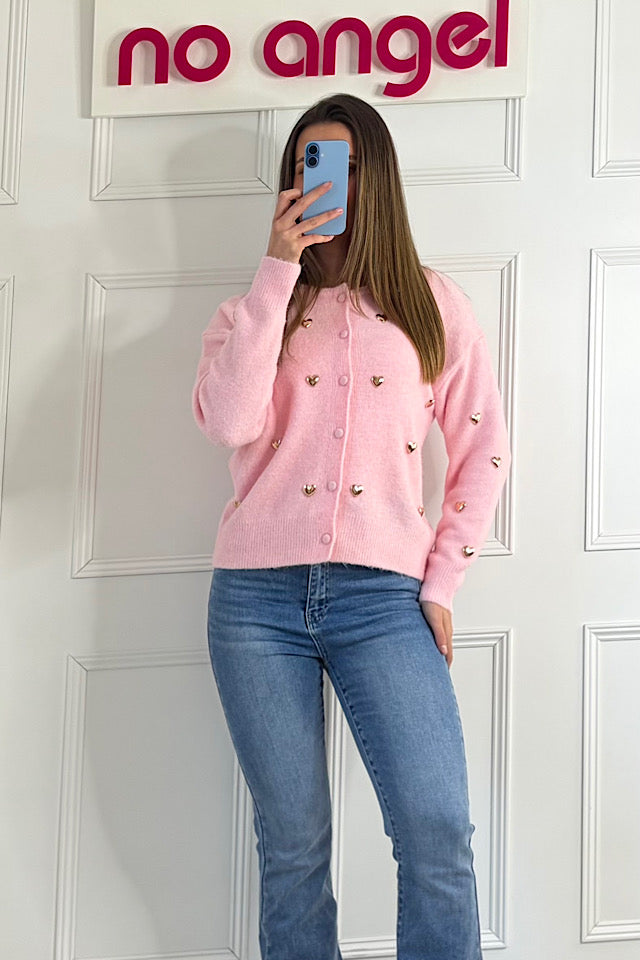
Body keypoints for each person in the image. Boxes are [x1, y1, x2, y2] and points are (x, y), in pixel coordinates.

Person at [192, 93, 511, 960]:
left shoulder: (431, 304)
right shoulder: (252, 312)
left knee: (436, 829)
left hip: (384, 600)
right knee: (292, 847)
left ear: (379, 177)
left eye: (348, 164)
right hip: (254, 605)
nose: (330, 181)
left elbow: (483, 449)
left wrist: (442, 583)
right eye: (311, 163)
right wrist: (276, 270)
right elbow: (228, 421)